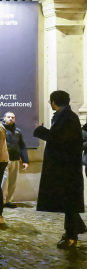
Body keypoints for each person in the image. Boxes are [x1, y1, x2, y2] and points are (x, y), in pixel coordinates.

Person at [34, 90, 86, 249]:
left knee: (69, 202)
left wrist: (40, 131)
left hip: (66, 169)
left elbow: (59, 139)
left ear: (54, 102)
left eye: (51, 101)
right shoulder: (65, 116)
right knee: (67, 201)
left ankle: (71, 236)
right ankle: (77, 227)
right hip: (63, 168)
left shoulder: (67, 118)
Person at [1, 112, 29, 208]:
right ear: (4, 118)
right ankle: (2, 200)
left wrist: (25, 161)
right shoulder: (1, 130)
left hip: (15, 159)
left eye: (12, 117)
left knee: (13, 181)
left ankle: (8, 200)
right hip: (4, 159)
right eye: (8, 117)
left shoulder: (18, 131)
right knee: (4, 180)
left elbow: (22, 146)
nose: (11, 119)